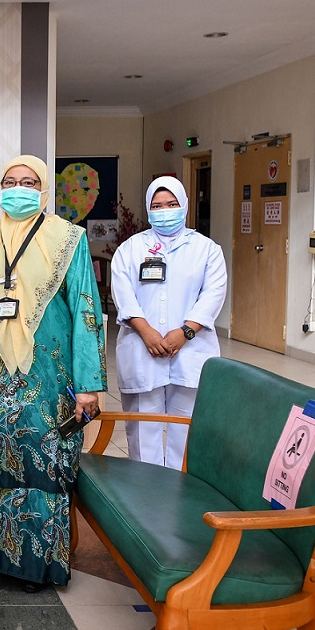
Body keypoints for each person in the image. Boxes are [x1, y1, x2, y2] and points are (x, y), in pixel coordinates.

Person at [0, 154, 106, 592]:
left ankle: (38, 565)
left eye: (28, 181)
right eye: (10, 180)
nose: (18, 188)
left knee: (42, 463)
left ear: (43, 191)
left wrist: (88, 385)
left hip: (48, 373)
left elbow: (85, 310)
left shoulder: (69, 240)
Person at [110, 176, 227, 470]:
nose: (165, 210)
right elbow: (123, 295)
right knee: (142, 430)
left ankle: (179, 493)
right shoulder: (130, 250)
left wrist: (186, 331)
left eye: (172, 204)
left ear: (184, 206)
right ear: (148, 210)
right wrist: (147, 332)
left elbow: (213, 294)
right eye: (157, 205)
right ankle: (144, 493)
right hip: (142, 348)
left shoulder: (207, 249)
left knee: (185, 428)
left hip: (190, 350)